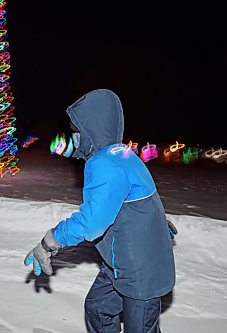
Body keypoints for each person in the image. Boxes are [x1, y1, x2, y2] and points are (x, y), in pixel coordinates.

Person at [24, 88, 176, 333]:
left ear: (91, 129)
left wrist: (49, 241)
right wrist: (155, 225)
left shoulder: (104, 163)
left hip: (140, 270)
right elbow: (141, 197)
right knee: (98, 308)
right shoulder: (125, 154)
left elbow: (92, 223)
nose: (75, 137)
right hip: (122, 261)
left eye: (77, 131)